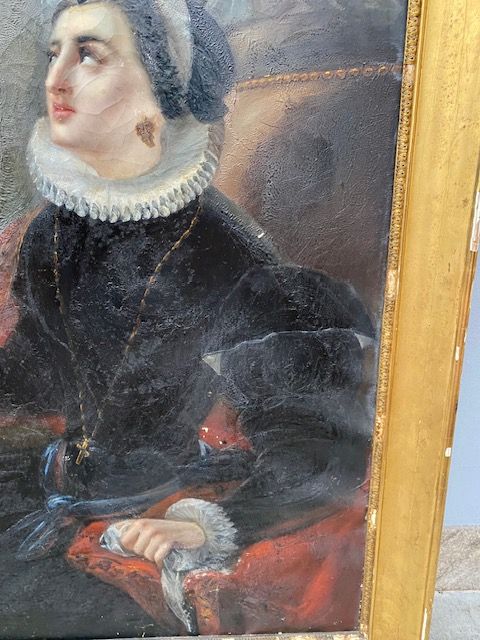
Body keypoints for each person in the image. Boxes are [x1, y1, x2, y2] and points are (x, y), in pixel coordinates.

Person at [0, 0, 374, 634]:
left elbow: (317, 450)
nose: (55, 79)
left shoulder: (230, 259)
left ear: (160, 91)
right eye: (54, 53)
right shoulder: (55, 232)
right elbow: (40, 370)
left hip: (155, 520)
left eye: (89, 55)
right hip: (59, 491)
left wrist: (206, 524)